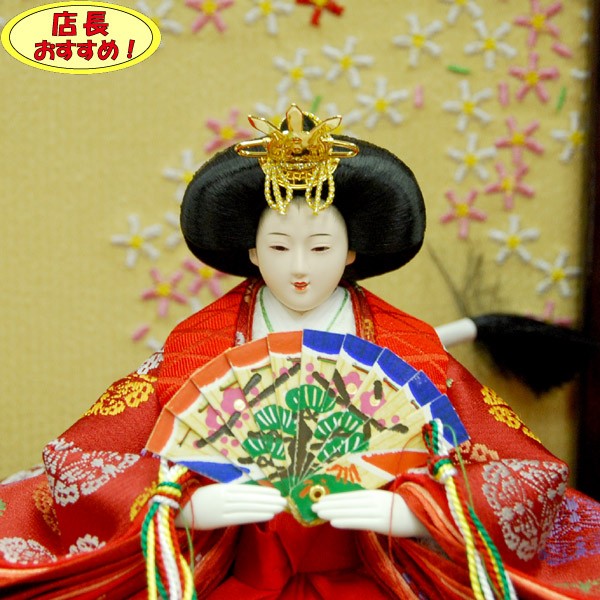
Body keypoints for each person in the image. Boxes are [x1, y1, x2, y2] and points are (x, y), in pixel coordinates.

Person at [1, 104, 599, 599]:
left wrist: (414, 510)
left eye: (320, 247)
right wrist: (185, 505)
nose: (299, 267)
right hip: (235, 564)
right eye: (280, 246)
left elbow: (523, 470)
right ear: (252, 252)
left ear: (352, 252)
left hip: (375, 562)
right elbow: (82, 459)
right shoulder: (200, 346)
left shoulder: (407, 348)